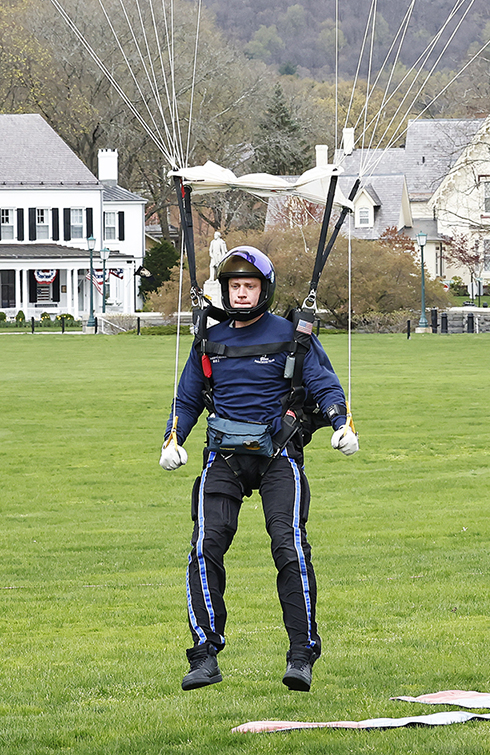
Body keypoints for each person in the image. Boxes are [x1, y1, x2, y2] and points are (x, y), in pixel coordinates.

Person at [161, 246, 358, 693]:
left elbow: (325, 384)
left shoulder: (293, 335)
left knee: (288, 547)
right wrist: (173, 438)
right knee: (205, 545)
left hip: (277, 455)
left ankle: (301, 654)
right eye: (235, 286)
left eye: (250, 286)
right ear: (225, 290)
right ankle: (204, 654)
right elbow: (188, 398)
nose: (242, 293)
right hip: (224, 457)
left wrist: (340, 422)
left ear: (263, 290)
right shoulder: (209, 338)